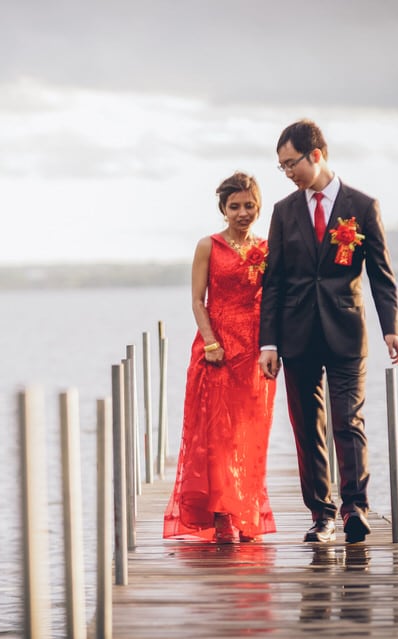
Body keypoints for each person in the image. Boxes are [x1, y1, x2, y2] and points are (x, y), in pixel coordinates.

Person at [258, 119, 398, 544]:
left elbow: (381, 275)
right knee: (307, 427)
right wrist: (268, 343)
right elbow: (274, 281)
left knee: (348, 420)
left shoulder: (363, 205)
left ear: (316, 154)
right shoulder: (284, 212)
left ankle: (354, 508)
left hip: (346, 331)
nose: (287, 173)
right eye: (282, 167)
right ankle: (321, 516)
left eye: (291, 164)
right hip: (296, 334)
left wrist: (390, 329)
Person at [164, 171, 277, 544]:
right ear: (223, 209)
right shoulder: (208, 246)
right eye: (235, 206)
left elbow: (274, 299)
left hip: (255, 349)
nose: (242, 212)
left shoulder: (265, 248)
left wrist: (271, 347)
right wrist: (211, 343)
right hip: (218, 348)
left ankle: (246, 509)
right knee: (217, 434)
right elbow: (198, 300)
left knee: (250, 432)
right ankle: (221, 515)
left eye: (249, 205)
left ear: (258, 207)